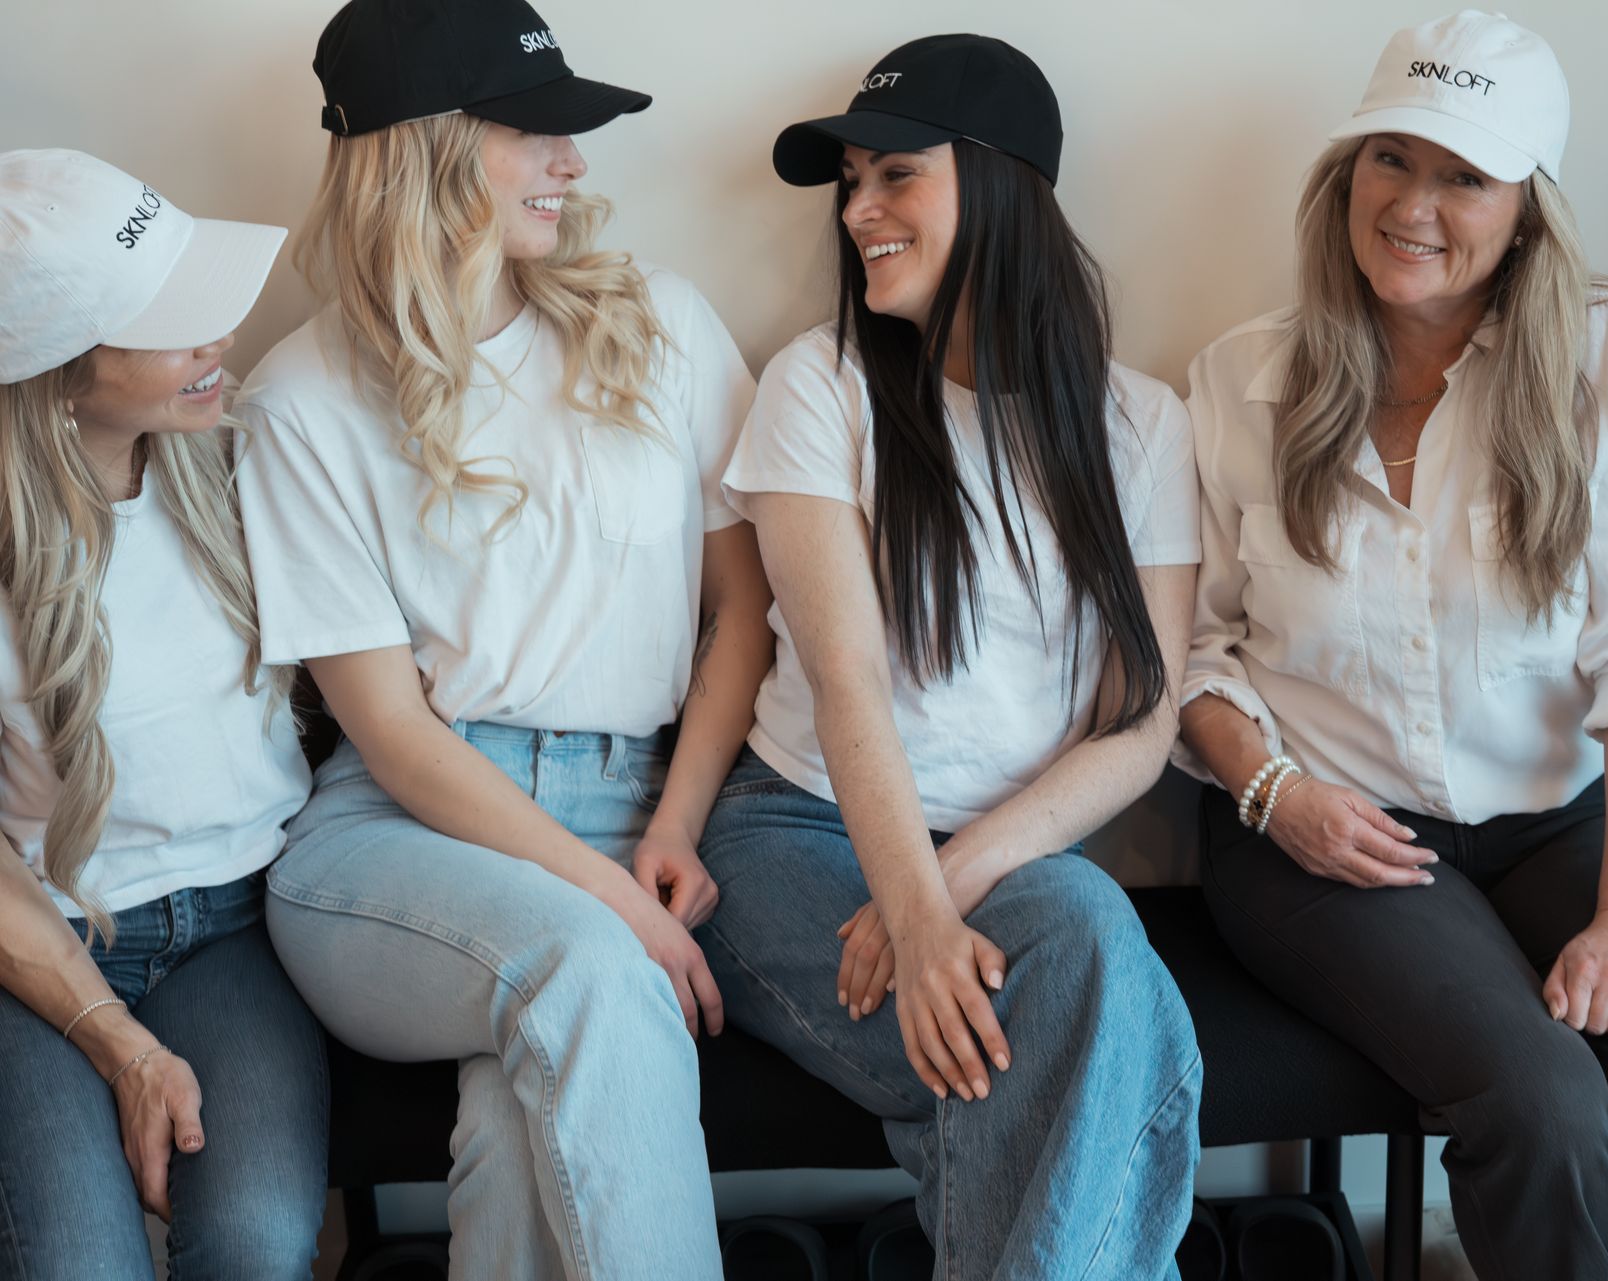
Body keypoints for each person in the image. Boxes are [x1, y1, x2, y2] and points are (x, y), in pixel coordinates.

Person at [1176, 11, 1608, 1280]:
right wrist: (1277, 794)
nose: (1413, 204)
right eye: (1390, 159)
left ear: (1526, 210)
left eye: (1464, 175)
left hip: (1556, 827)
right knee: (1544, 1110)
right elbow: (1193, 656)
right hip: (1325, 835)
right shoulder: (1241, 379)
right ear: (1346, 173)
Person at [232, 1, 769, 1275]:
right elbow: (393, 734)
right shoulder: (300, 399)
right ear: (423, 147)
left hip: (641, 809)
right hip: (404, 840)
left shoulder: (660, 322)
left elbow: (745, 608)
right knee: (590, 971)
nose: (573, 164)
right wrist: (610, 904)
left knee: (519, 1135)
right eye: (534, 132)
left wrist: (675, 825)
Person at [697, 35, 1204, 1279]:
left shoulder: (1140, 424)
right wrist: (912, 915)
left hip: (1010, 861)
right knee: (1108, 1034)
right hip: (799, 835)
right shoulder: (819, 387)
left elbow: (1142, 720)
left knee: (1078, 957)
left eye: (895, 176)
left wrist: (944, 893)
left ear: (1000, 181)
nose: (857, 212)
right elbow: (847, 678)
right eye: (850, 184)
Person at [0, 149, 325, 1279]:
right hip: (45, 942)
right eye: (171, 327)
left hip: (240, 927)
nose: (218, 339)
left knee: (258, 1244)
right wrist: (119, 1045)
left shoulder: (242, 468)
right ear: (60, 373)